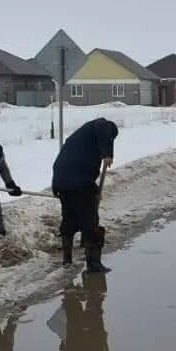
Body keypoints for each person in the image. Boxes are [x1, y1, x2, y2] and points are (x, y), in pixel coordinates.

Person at [52, 117, 118, 273]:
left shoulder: (82, 139)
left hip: (62, 181)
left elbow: (82, 167)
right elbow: (102, 127)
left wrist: (93, 190)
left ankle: (67, 259)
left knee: (70, 217)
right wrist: (108, 153)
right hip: (77, 181)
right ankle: (93, 264)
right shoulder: (101, 125)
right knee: (90, 220)